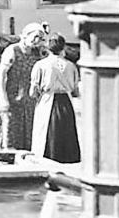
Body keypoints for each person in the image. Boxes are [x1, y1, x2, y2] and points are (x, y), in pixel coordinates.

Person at [0, 22, 47, 150]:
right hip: (13, 95)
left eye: (39, 38)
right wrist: (3, 96)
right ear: (25, 36)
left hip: (29, 98)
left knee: (29, 133)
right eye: (34, 37)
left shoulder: (38, 53)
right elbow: (2, 74)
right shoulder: (13, 50)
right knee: (11, 131)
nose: (36, 41)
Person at [29, 33, 80, 163]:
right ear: (63, 47)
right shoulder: (71, 66)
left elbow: (33, 92)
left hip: (47, 100)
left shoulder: (40, 65)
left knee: (45, 130)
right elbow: (75, 91)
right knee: (66, 131)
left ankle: (46, 156)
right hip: (66, 102)